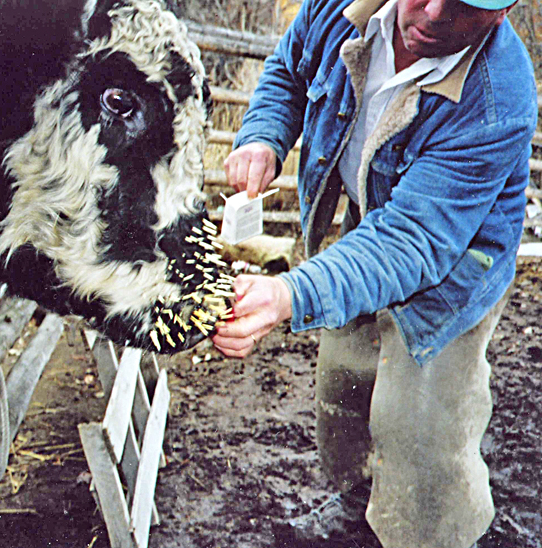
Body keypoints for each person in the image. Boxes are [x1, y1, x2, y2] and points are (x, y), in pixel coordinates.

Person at [212, 0, 537, 545]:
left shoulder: (497, 97)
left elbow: (413, 241)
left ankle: (430, 533)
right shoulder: (340, 7)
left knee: (422, 428)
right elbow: (290, 67)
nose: (433, 12)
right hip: (369, 226)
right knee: (347, 382)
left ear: (500, 13)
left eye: (461, 5)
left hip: (452, 271)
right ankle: (357, 505)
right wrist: (262, 136)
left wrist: (292, 292)